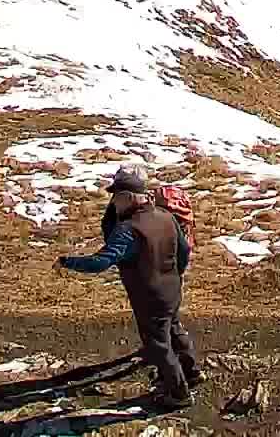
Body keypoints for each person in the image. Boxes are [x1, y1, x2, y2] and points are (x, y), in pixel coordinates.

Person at [57, 164, 202, 410]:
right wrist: (175, 274)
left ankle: (178, 393)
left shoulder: (128, 230)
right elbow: (184, 251)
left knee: (158, 345)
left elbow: (100, 262)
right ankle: (192, 372)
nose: (113, 203)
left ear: (126, 197)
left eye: (115, 197)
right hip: (172, 289)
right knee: (174, 327)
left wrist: (67, 262)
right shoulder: (165, 217)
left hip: (149, 296)